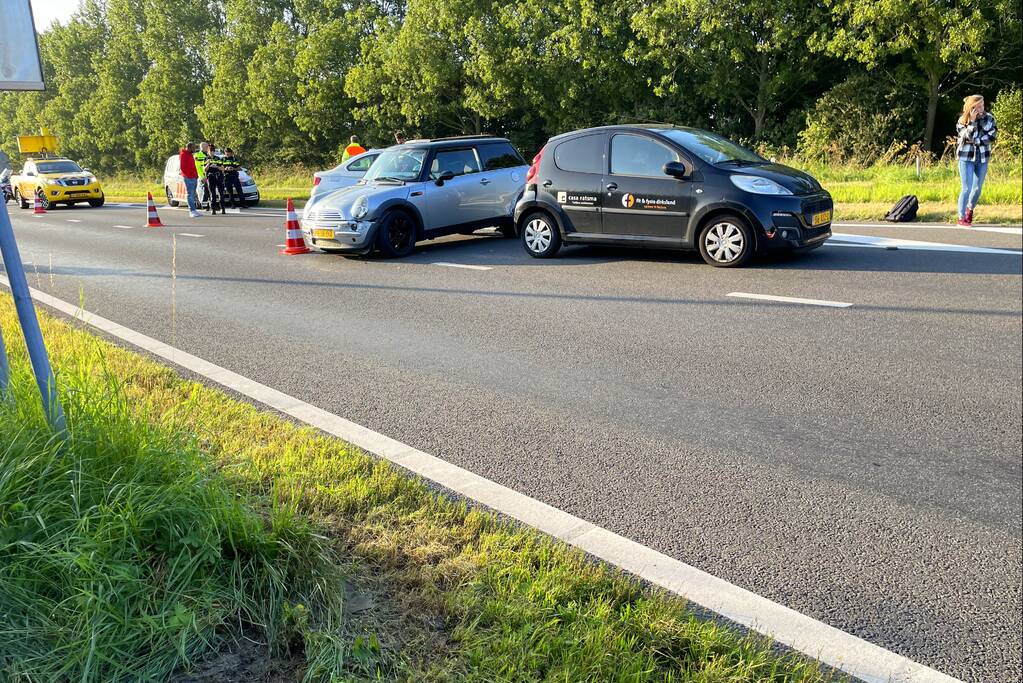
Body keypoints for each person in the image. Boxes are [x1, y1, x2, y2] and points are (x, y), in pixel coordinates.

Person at [955, 94, 997, 227]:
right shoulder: (962, 120)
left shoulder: (989, 118)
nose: (981, 108)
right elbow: (967, 136)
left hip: (983, 157)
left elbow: (992, 135)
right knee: (966, 188)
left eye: (982, 105)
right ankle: (961, 217)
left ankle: (970, 208)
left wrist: (977, 141)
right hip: (966, 157)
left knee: (977, 188)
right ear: (971, 107)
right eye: (978, 106)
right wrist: (972, 122)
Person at [201, 141, 227, 215]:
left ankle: (223, 208)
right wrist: (208, 164)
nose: (212, 152)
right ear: (208, 151)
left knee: (221, 192)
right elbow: (204, 170)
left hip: (218, 176)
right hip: (210, 177)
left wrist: (217, 167)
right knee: (212, 193)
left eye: (213, 151)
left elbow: (223, 168)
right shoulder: (206, 159)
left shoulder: (218, 158)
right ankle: (213, 209)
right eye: (210, 151)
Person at [179, 142, 201, 218]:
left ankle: (194, 210)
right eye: (193, 148)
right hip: (188, 177)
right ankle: (192, 211)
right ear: (189, 148)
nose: (195, 149)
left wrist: (196, 174)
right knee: (190, 194)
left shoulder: (190, 155)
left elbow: (193, 165)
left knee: (193, 194)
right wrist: (189, 175)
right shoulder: (183, 155)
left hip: (193, 177)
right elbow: (182, 167)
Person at [193, 141, 209, 208]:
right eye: (207, 146)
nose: (208, 148)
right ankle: (203, 204)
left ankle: (209, 204)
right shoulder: (197, 155)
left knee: (208, 191)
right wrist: (202, 176)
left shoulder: (208, 155)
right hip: (202, 176)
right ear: (202, 147)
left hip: (209, 176)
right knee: (203, 191)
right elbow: (198, 167)